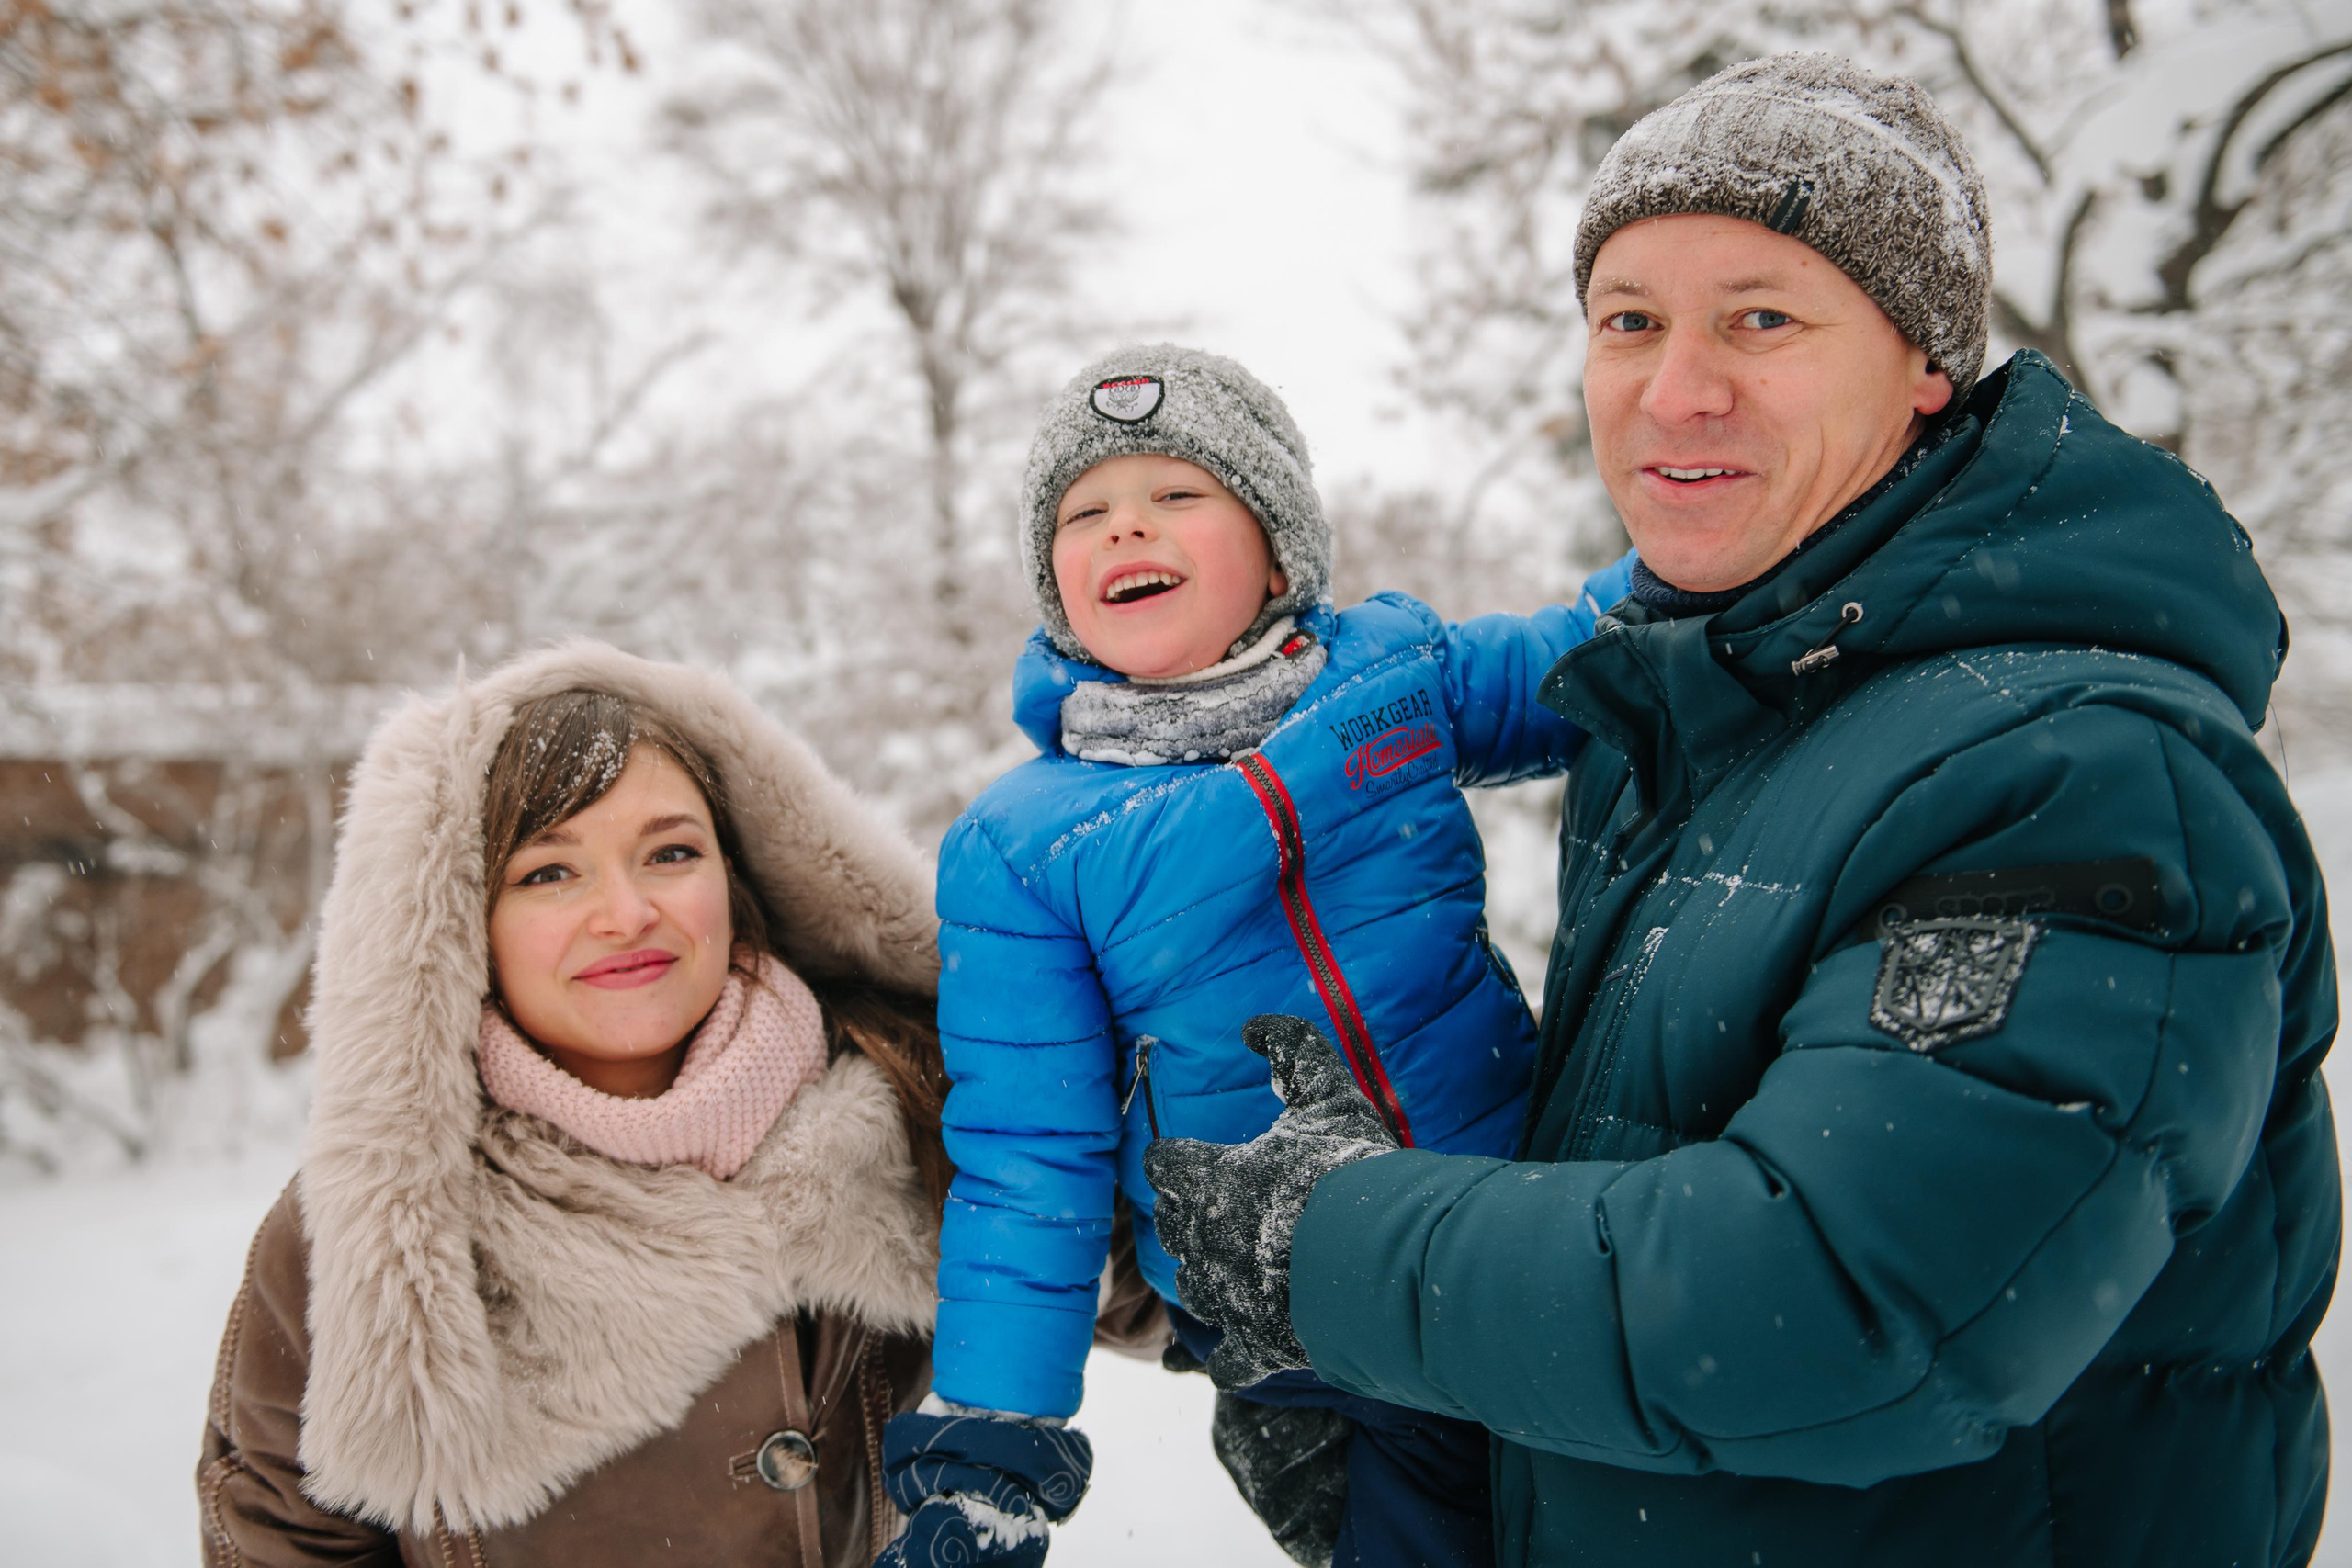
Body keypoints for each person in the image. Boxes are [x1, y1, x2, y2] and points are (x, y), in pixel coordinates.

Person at [1148, 52, 2339, 1568]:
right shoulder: (1699, 726)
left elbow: (1853, 1305)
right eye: (1628, 321)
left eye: (1761, 318)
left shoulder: (2084, 769)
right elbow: (1642, 1261)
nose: (1675, 388)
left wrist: (1332, 1248)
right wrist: (1405, 1438)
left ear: (1924, 365)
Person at [881, 344, 1635, 1567]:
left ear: (1279, 547)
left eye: (1177, 494)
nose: (1127, 527)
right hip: (1306, 1317)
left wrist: (1750, 526)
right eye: (1084, 513)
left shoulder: (1394, 678)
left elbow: (1603, 654)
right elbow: (1030, 1152)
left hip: (1518, 1230)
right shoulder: (1024, 846)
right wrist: (989, 1435)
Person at [197, 644, 951, 1567]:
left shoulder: (916, 1104)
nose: (626, 913)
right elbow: (283, 1544)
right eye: (549, 873)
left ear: (737, 880)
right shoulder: (371, 1231)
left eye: (670, 853)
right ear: (461, 928)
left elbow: (1144, 1294)